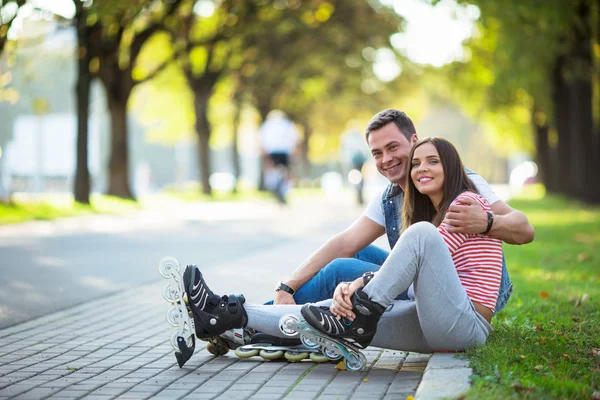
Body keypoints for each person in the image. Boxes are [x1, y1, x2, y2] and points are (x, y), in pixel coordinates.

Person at [179, 137, 516, 361]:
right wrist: (352, 292)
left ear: (452, 168)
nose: (422, 169)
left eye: (433, 162)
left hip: (465, 325)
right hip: (432, 321)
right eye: (417, 164)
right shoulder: (429, 211)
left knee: (419, 236)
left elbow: (419, 254)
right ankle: (226, 316)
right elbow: (406, 273)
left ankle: (358, 317)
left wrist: (358, 285)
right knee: (326, 312)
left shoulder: (465, 203)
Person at [273, 109, 534, 316]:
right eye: (377, 153)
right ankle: (277, 315)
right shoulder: (390, 195)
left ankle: (261, 321)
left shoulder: (461, 182)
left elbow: (524, 230)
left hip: (467, 299)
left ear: (414, 141)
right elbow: (345, 242)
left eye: (393, 147)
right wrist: (287, 286)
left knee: (342, 269)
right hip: (421, 286)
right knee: (355, 252)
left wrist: (488, 221)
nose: (386, 159)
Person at [259, 110, 300, 204]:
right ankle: (285, 189)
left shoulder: (267, 125)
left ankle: (273, 185)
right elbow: (295, 138)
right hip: (285, 151)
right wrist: (294, 150)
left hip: (271, 151)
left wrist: (263, 152)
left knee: (271, 170)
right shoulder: (288, 124)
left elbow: (261, 139)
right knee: (287, 172)